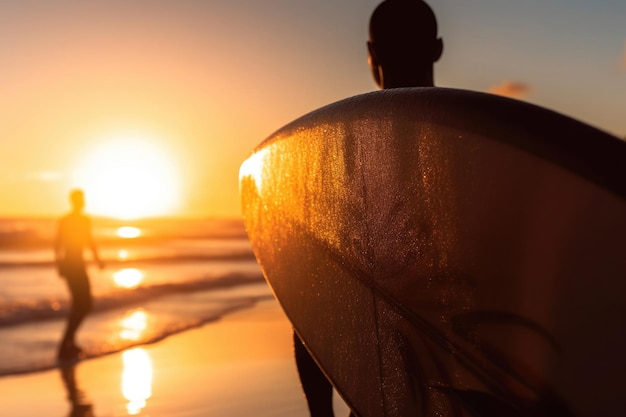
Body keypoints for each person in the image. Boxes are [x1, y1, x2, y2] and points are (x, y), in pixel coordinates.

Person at [293, 1, 444, 416]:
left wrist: (321, 414)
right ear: (439, 49)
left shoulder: (343, 165)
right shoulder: (481, 150)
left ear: (371, 54)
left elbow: (312, 304)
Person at [55, 189, 104, 360]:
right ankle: (64, 344)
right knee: (81, 304)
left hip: (77, 266)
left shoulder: (83, 220)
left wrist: (97, 259)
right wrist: (59, 265)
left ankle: (69, 341)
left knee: (83, 304)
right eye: (81, 199)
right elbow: (58, 243)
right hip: (72, 266)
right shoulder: (67, 221)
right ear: (76, 201)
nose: (83, 201)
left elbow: (89, 240)